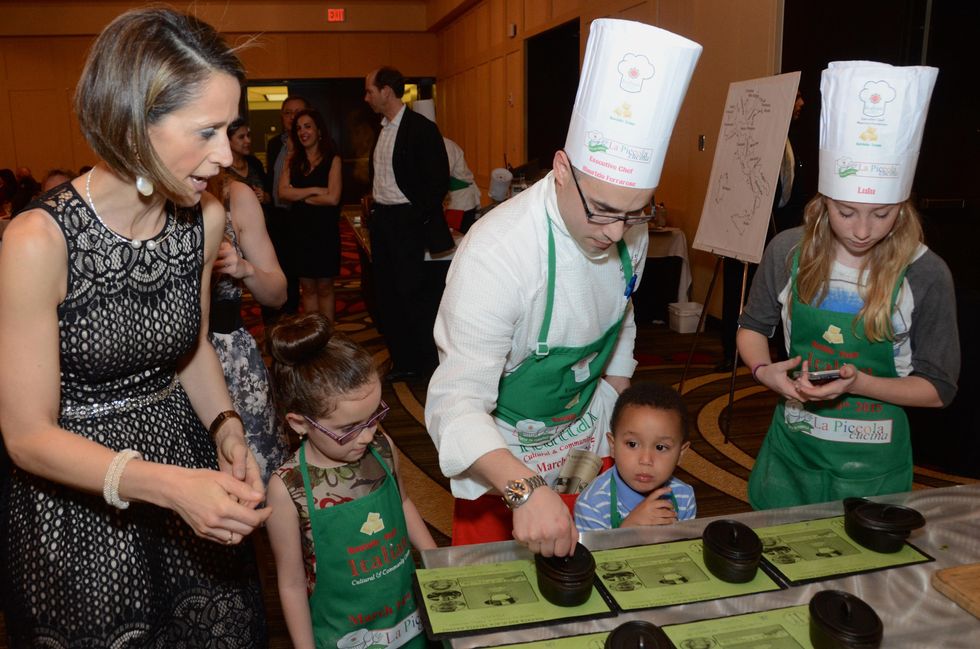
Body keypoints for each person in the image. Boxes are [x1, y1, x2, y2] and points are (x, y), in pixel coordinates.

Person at [0, 8, 270, 645]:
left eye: (230, 130)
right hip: (76, 504)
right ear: (132, 122)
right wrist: (166, 486)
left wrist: (227, 431)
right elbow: (25, 435)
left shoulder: (202, 217)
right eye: (206, 132)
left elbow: (190, 347)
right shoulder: (39, 240)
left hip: (185, 466)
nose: (226, 154)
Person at [425, 19, 702, 555]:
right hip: (501, 460)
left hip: (584, 446)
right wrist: (524, 489)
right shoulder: (497, 254)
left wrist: (617, 396)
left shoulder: (627, 228)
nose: (617, 232)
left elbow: (622, 313)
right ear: (560, 169)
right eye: (601, 210)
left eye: (634, 212)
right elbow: (455, 406)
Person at [738, 61, 960, 510]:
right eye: (845, 212)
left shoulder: (925, 273)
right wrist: (767, 374)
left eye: (881, 214)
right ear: (822, 202)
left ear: (902, 204)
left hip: (875, 464)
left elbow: (939, 389)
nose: (862, 230)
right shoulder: (787, 253)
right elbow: (751, 328)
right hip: (793, 454)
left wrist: (858, 383)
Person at [264, 313, 435, 649]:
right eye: (348, 429)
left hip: (407, 618)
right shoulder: (287, 489)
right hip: (343, 635)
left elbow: (402, 503)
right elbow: (292, 583)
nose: (367, 436)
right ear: (299, 423)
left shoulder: (381, 448)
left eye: (373, 418)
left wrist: (433, 557)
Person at [364, 66, 451, 382]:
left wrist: (417, 216)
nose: (367, 98)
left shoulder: (421, 129)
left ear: (387, 91)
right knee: (386, 296)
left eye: (370, 91)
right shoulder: (383, 128)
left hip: (407, 220)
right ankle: (403, 360)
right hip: (383, 220)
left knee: (412, 294)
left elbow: (438, 180)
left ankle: (425, 364)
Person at [207, 169, 289, 482]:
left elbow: (277, 294)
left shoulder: (234, 195)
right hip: (169, 362)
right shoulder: (144, 192)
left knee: (252, 475)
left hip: (232, 362)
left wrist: (244, 269)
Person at [717, 89, 806, 372]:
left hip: (782, 228)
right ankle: (732, 351)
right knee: (740, 290)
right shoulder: (752, 137)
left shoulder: (795, 139)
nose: (802, 104)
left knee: (781, 291)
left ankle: (781, 351)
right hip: (746, 226)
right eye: (797, 97)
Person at [574, 382, 695, 530]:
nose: (646, 460)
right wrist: (628, 530)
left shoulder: (684, 497)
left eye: (660, 447)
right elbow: (594, 554)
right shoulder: (591, 505)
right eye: (632, 444)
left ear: (681, 453)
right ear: (613, 445)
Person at [279, 107, 342, 320]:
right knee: (307, 288)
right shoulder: (292, 160)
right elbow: (282, 192)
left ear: (319, 130)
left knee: (324, 287)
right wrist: (315, 190)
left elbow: (333, 198)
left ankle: (329, 338)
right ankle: (314, 339)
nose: (303, 132)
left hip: (325, 232)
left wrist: (299, 196)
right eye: (298, 128)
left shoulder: (333, 159)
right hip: (300, 233)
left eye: (308, 126)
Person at [265, 95, 310, 322]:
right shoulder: (274, 144)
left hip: (301, 215)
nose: (292, 118)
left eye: (297, 112)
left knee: (300, 271)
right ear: (282, 117)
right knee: (278, 267)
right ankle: (282, 314)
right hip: (276, 216)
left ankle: (293, 314)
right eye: (288, 113)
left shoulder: (309, 143)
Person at [226, 117, 270, 205]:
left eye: (248, 135)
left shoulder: (254, 163)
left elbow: (270, 197)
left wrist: (264, 196)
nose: (248, 141)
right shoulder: (221, 169)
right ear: (228, 141)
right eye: (241, 137)